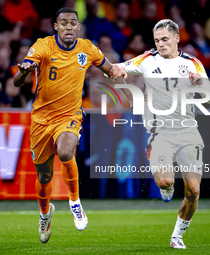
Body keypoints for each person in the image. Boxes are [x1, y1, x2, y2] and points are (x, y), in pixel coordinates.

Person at [13, 7, 126, 244]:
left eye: (73, 23)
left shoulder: (87, 48)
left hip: (70, 115)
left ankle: (75, 202)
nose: (68, 27)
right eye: (63, 23)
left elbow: (108, 69)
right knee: (44, 178)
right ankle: (45, 214)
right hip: (41, 120)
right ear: (56, 27)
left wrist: (117, 72)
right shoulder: (43, 46)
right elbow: (17, 80)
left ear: (78, 27)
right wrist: (22, 73)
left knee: (65, 151)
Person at [110, 19, 210, 249]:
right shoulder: (148, 59)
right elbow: (121, 67)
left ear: (177, 38)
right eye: (157, 40)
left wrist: (200, 84)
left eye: (165, 39)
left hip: (189, 131)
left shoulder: (193, 63)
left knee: (194, 190)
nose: (160, 44)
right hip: (160, 133)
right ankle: (166, 185)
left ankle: (177, 235)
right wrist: (120, 74)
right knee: (166, 181)